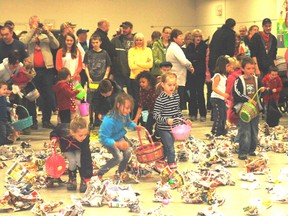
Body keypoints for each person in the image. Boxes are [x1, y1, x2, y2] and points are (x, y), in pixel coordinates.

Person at [20, 15, 60, 129]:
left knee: (47, 94)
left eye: (38, 23)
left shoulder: (45, 35)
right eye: (34, 23)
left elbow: (56, 45)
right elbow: (23, 43)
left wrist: (48, 32)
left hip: (46, 70)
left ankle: (46, 120)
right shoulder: (26, 35)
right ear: (30, 24)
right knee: (32, 96)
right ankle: (33, 121)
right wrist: (33, 31)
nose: (37, 25)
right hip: (32, 71)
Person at [96, 92, 142, 180]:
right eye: (127, 108)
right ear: (118, 105)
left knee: (128, 151)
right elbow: (103, 138)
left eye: (130, 109)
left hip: (119, 137)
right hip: (109, 140)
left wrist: (135, 127)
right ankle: (100, 172)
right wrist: (117, 144)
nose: (128, 111)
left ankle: (120, 171)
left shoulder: (125, 115)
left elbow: (128, 122)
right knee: (118, 157)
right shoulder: (109, 120)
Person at [153, 72, 192, 170]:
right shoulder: (160, 99)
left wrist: (185, 120)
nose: (172, 87)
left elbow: (177, 112)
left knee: (167, 146)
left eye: (174, 85)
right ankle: (172, 165)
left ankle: (160, 160)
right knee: (170, 147)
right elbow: (156, 115)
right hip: (163, 128)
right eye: (169, 85)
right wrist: (166, 120)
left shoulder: (176, 96)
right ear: (163, 85)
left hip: (174, 128)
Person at [233, 57, 265, 160]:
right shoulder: (239, 80)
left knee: (254, 130)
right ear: (243, 69)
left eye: (253, 68)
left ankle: (252, 149)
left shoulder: (256, 79)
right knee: (245, 130)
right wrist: (247, 99)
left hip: (255, 110)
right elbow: (236, 93)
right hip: (244, 110)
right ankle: (243, 151)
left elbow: (260, 91)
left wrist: (263, 90)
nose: (251, 71)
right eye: (248, 68)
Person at [50, 117, 92, 192]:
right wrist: (54, 138)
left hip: (78, 148)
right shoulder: (63, 129)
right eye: (80, 135)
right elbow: (54, 131)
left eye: (85, 134)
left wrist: (88, 177)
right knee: (72, 160)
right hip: (67, 148)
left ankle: (83, 178)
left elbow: (87, 155)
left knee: (80, 160)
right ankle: (72, 178)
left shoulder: (84, 139)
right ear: (72, 132)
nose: (83, 137)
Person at [83, 35, 112, 127]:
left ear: (100, 42)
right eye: (93, 43)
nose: (95, 44)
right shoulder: (88, 53)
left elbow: (108, 65)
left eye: (96, 42)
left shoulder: (105, 53)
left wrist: (105, 76)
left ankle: (98, 119)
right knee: (90, 100)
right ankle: (91, 120)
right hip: (92, 80)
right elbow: (86, 66)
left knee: (100, 100)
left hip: (101, 80)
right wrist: (88, 77)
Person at [166, 29, 194, 110]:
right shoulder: (175, 48)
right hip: (177, 78)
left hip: (176, 77)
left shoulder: (174, 47)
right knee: (177, 101)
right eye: (180, 37)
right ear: (174, 38)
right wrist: (190, 66)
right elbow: (184, 61)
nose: (182, 39)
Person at [128, 33, 153, 118]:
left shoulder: (148, 50)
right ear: (135, 41)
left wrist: (137, 63)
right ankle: (135, 117)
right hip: (134, 77)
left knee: (146, 98)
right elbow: (131, 66)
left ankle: (145, 117)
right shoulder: (131, 51)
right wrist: (144, 64)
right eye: (137, 40)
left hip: (146, 77)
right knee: (136, 98)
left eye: (140, 40)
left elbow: (150, 65)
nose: (139, 42)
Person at [185, 29, 208, 121]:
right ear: (193, 38)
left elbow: (199, 56)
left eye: (199, 37)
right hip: (191, 72)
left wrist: (193, 57)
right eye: (196, 37)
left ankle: (203, 113)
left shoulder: (204, 46)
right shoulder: (189, 46)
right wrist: (195, 57)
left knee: (200, 92)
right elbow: (187, 57)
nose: (198, 38)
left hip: (200, 72)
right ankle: (192, 113)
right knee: (192, 93)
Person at [111, 21, 134, 89]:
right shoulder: (115, 40)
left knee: (132, 94)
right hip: (119, 73)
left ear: (131, 29)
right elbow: (110, 56)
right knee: (118, 93)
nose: (124, 30)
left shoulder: (136, 40)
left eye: (126, 28)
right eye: (123, 28)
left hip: (132, 73)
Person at [210, 56, 230, 136]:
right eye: (227, 66)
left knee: (224, 115)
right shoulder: (217, 76)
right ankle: (215, 131)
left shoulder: (224, 76)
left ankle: (222, 130)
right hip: (216, 98)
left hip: (221, 99)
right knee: (219, 115)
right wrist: (223, 94)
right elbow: (214, 88)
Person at [133, 71, 157, 136]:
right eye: (140, 82)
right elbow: (140, 105)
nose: (141, 84)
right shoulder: (142, 91)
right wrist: (136, 118)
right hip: (152, 112)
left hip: (160, 112)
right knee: (148, 129)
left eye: (143, 82)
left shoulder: (156, 88)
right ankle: (152, 143)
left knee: (159, 129)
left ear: (149, 81)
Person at [225, 56, 242, 126]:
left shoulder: (230, 77)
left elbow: (228, 91)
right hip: (238, 100)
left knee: (230, 119)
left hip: (231, 101)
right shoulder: (239, 74)